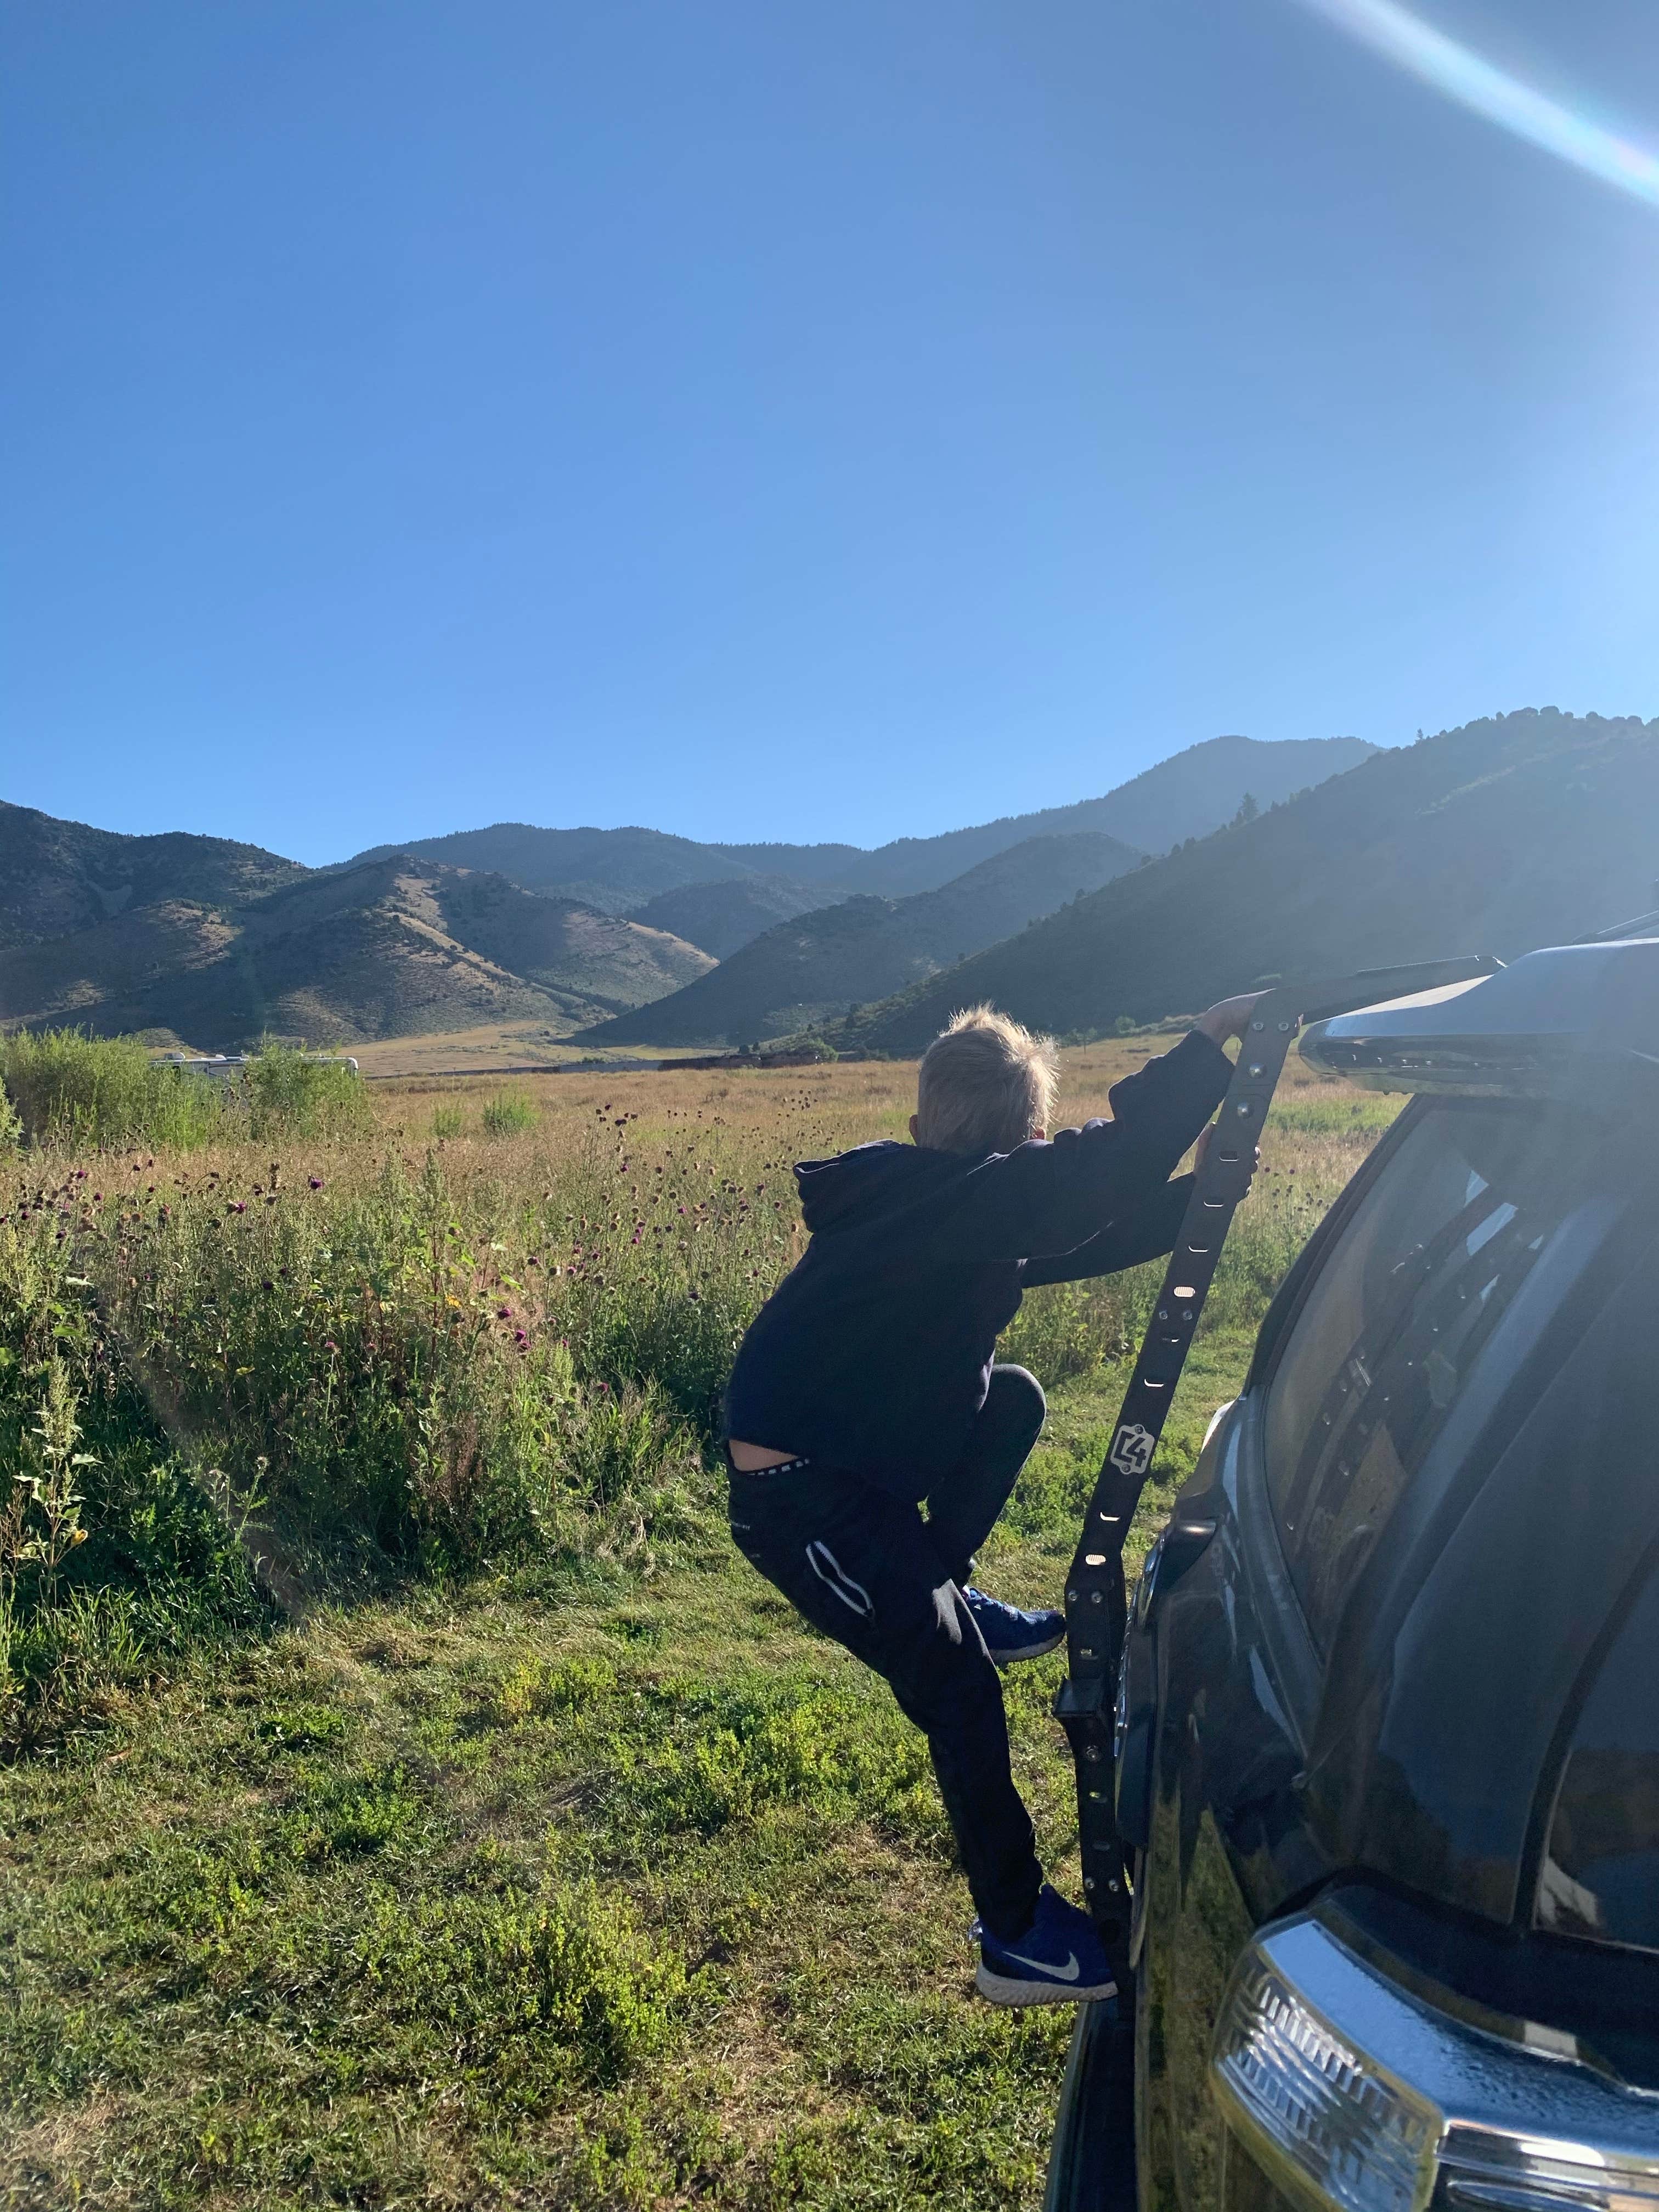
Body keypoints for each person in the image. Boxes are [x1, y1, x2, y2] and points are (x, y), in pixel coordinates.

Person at [723, 992, 1261, 2006]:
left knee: (1009, 1400)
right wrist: (1206, 1045)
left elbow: (1072, 1229)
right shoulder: (935, 1201)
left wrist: (1199, 1197)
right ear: (1025, 1141)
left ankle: (945, 1588)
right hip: (803, 1505)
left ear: (928, 1122)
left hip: (857, 1471)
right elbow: (1077, 1190)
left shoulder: (937, 1201)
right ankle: (1015, 1934)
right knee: (959, 1692)